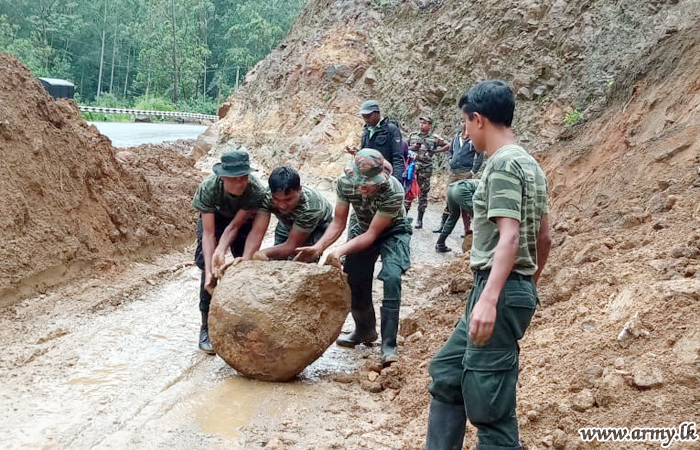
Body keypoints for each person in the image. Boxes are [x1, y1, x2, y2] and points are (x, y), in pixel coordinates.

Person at [425, 80, 551, 450]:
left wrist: (494, 297)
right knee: (448, 373)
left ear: (478, 119)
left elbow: (510, 236)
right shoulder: (530, 165)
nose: (465, 132)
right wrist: (526, 286)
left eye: (465, 123)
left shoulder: (503, 165)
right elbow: (544, 239)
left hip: (497, 288)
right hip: (509, 287)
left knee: (489, 404)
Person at [295, 149, 411, 367]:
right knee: (354, 279)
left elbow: (373, 235)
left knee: (392, 277)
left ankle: (389, 345)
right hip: (361, 227)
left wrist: (339, 251)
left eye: (369, 184)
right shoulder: (345, 183)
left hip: (392, 230)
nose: (363, 187)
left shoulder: (393, 191)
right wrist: (319, 247)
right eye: (359, 182)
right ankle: (364, 331)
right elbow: (339, 222)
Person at [191, 150, 266, 354]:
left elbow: (234, 226)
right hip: (214, 221)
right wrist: (209, 270)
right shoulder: (208, 188)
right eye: (234, 179)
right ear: (223, 177)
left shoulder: (255, 190)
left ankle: (247, 321)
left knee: (244, 264)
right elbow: (208, 234)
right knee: (208, 270)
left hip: (239, 223)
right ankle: (206, 327)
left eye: (244, 177)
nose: (240, 183)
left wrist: (223, 250)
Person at [243, 166, 333, 261]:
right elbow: (257, 232)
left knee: (301, 263)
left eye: (288, 199)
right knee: (276, 262)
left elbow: (291, 246)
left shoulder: (311, 207)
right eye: (277, 199)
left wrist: (263, 253)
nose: (282, 205)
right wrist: (247, 258)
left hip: (317, 227)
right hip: (286, 223)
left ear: (299, 190)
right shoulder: (267, 196)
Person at [433, 118, 483, 233]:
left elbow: (479, 156)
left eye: (466, 121)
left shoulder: (474, 139)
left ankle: (467, 230)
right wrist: (450, 159)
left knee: (464, 202)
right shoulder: (456, 138)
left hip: (465, 173)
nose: (464, 124)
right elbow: (451, 151)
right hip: (453, 172)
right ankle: (443, 226)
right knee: (449, 199)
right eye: (462, 121)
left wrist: (473, 172)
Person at [404, 116, 449, 229]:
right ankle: (404, 217)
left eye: (425, 123)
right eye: (421, 123)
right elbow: (404, 148)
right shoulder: (413, 135)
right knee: (408, 191)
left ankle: (420, 219)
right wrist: (412, 147)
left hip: (425, 169)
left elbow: (448, 145)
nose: (422, 125)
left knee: (423, 194)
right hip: (412, 168)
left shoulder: (434, 138)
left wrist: (435, 151)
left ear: (429, 125)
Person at [347, 100, 404, 183]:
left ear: (377, 113)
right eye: (364, 116)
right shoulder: (366, 131)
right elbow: (367, 155)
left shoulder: (391, 130)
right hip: (368, 178)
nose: (366, 119)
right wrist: (357, 152)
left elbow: (398, 158)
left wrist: (396, 181)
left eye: (368, 116)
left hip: (385, 177)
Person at [435, 178, 478, 253]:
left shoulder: (481, 182)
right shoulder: (489, 187)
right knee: (479, 216)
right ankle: (479, 249)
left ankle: (440, 243)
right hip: (461, 190)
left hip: (451, 188)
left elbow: (466, 211)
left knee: (453, 215)